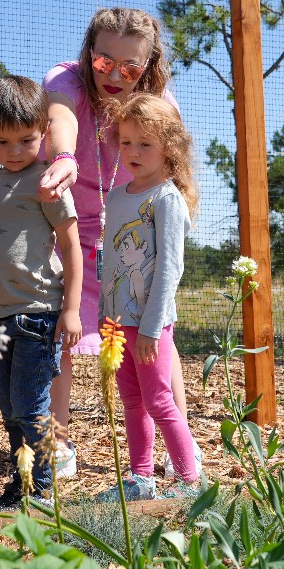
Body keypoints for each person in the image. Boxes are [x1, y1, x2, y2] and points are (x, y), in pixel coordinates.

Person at [37, 7, 202, 481]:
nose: (114, 74)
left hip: (131, 236)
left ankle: (179, 447)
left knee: (156, 345)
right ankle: (58, 442)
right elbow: (60, 115)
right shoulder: (66, 79)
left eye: (130, 67)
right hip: (69, 226)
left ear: (148, 68)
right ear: (89, 55)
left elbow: (169, 169)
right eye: (103, 61)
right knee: (59, 332)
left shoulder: (158, 103)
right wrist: (65, 156)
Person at [0, 76, 82, 510]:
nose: (15, 152)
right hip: (1, 318)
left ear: (43, 134)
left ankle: (41, 491)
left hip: (39, 314)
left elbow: (71, 245)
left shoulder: (46, 180)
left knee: (31, 407)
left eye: (26, 140)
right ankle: (21, 483)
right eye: (2, 141)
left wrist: (71, 310)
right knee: (10, 407)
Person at [95, 94, 203, 501]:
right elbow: (110, 266)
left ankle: (189, 482)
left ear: (169, 148)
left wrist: (152, 329)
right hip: (117, 325)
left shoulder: (167, 199)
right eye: (126, 142)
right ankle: (141, 479)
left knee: (159, 400)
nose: (133, 152)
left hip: (149, 325)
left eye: (145, 144)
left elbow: (169, 270)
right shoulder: (119, 196)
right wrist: (107, 318)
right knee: (132, 402)